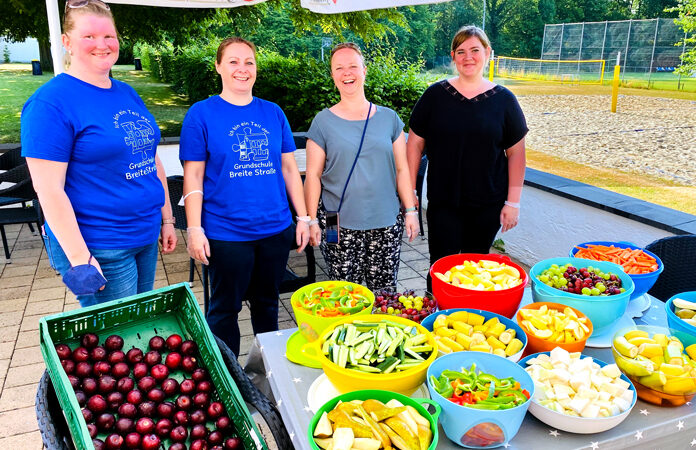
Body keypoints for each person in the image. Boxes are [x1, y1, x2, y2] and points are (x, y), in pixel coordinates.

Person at [21, 0, 177, 307]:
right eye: (89, 36)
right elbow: (48, 190)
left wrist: (167, 218)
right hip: (101, 244)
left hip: (144, 233)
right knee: (117, 340)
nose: (102, 45)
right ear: (66, 42)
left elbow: (149, 157)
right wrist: (81, 259)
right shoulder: (50, 104)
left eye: (109, 36)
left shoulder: (125, 92)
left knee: (139, 322)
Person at [181, 37, 309, 356]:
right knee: (224, 311)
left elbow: (290, 169)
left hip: (275, 230)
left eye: (249, 62)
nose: (243, 69)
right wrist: (194, 229)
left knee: (267, 306)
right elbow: (193, 175)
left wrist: (304, 218)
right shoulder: (201, 114)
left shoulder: (273, 112)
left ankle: (267, 369)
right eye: (234, 61)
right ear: (218, 67)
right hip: (226, 235)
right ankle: (229, 377)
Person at [406, 26, 527, 278]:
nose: (468, 57)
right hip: (443, 202)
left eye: (475, 50)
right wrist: (410, 191)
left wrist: (512, 203)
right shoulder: (435, 96)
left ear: (488, 53)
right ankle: (438, 316)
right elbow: (415, 144)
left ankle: (470, 316)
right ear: (453, 56)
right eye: (461, 51)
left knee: (475, 272)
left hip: (488, 204)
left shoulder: (504, 100)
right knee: (440, 270)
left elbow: (516, 154)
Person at [304, 42, 419, 291]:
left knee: (385, 295)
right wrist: (312, 220)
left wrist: (410, 210)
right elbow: (312, 176)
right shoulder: (322, 122)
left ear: (364, 71)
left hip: (386, 222)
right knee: (346, 297)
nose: (347, 73)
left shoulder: (390, 119)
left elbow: (402, 170)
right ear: (333, 75)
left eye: (353, 66)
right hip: (337, 224)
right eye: (339, 67)